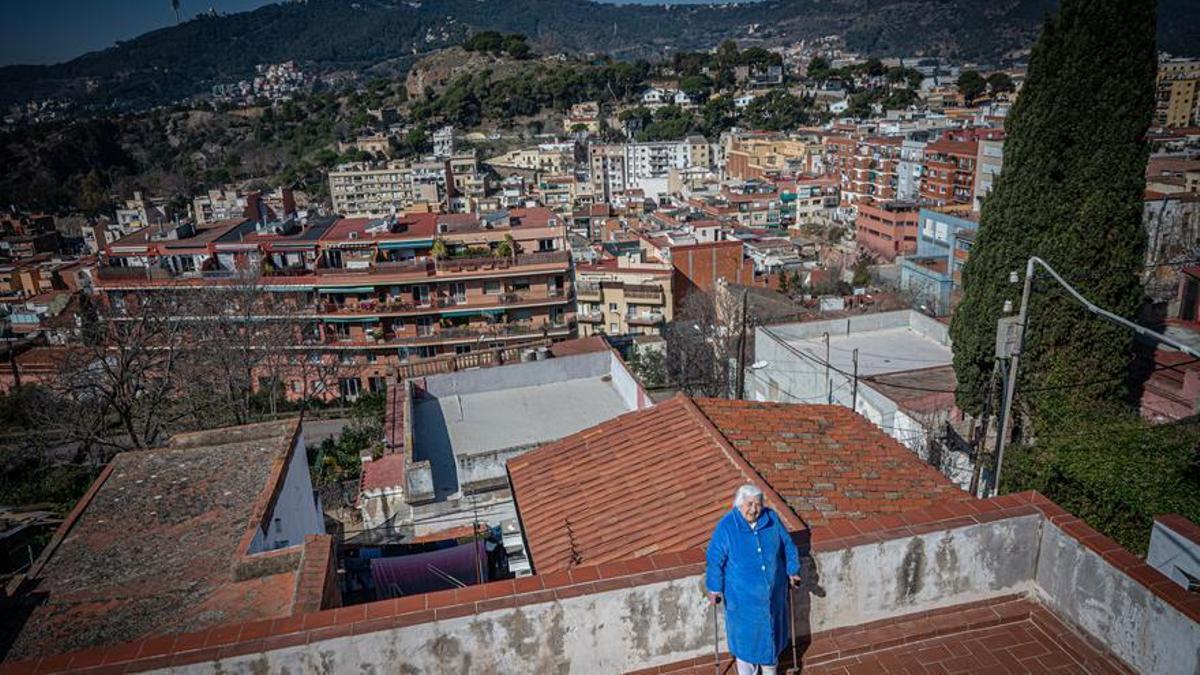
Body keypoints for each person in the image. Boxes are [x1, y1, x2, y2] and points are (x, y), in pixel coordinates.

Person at [705, 483, 801, 675]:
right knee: (746, 649)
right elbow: (715, 559)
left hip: (773, 598)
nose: (754, 509)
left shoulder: (771, 518)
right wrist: (715, 589)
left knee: (771, 646)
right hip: (743, 603)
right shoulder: (727, 526)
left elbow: (788, 546)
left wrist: (793, 570)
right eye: (749, 504)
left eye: (757, 504)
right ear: (739, 505)